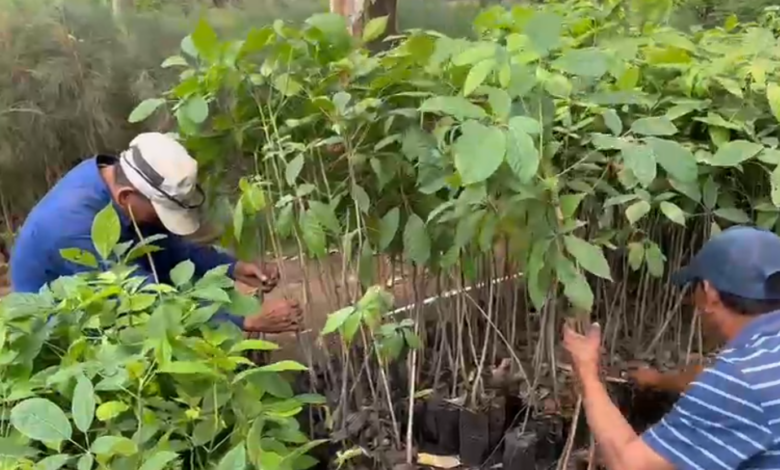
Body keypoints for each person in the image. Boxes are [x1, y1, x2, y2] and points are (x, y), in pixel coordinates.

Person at [9, 132, 301, 333]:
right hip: (54, 326)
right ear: (126, 197)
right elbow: (143, 300)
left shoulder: (114, 177)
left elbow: (165, 246)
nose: (163, 221)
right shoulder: (74, 227)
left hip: (106, 288)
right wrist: (243, 320)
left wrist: (230, 267)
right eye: (161, 213)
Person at [563, 226, 780, 470]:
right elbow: (733, 394)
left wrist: (587, 374)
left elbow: (631, 465)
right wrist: (660, 380)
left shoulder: (740, 380)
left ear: (709, 294)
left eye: (693, 288)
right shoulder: (760, 363)